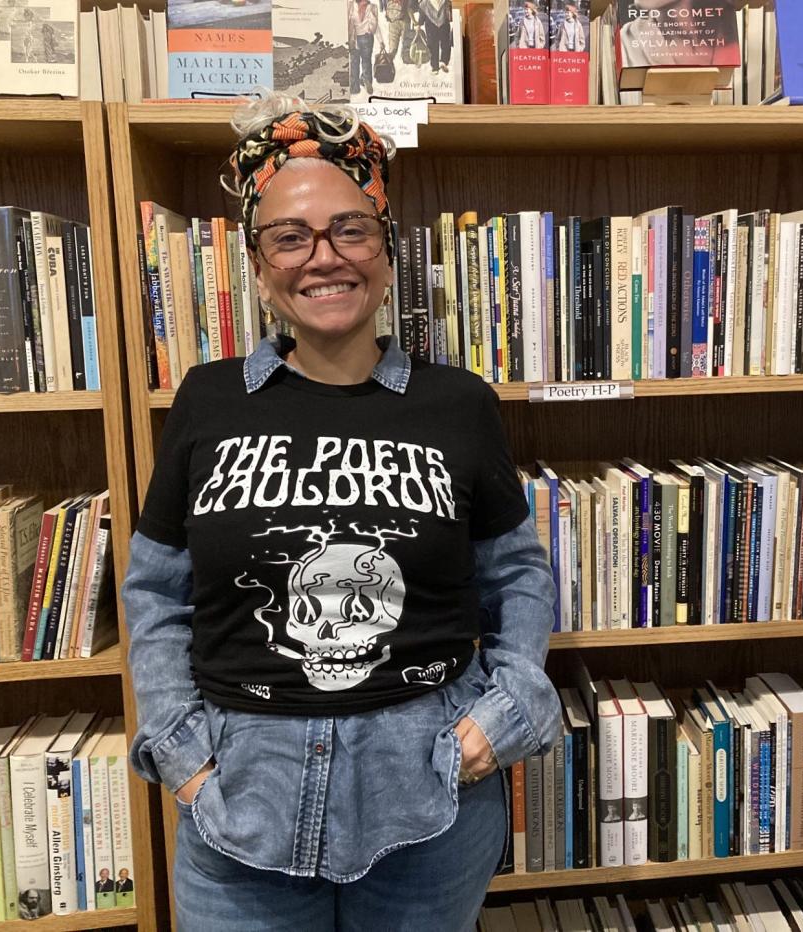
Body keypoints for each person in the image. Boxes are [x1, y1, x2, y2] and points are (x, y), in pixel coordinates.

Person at [121, 95, 559, 931]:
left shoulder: (458, 403)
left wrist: (498, 722)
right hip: (239, 802)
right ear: (257, 266)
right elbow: (155, 594)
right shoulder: (207, 400)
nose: (323, 257)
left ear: (387, 254)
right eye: (290, 236)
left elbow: (516, 575)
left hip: (429, 794)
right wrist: (183, 758)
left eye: (350, 230)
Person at [348, 0, 385, 96]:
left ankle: (356, 86)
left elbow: (376, 26)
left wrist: (381, 41)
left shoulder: (372, 7)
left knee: (357, 62)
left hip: (363, 38)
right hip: (356, 39)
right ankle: (364, 80)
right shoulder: (351, 5)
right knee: (362, 62)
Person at [418, 0, 453, 74]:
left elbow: (450, 14)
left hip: (443, 24)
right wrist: (419, 24)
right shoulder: (424, 3)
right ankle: (435, 66)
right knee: (432, 45)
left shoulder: (446, 1)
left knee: (445, 43)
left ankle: (444, 62)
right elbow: (422, 15)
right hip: (431, 25)